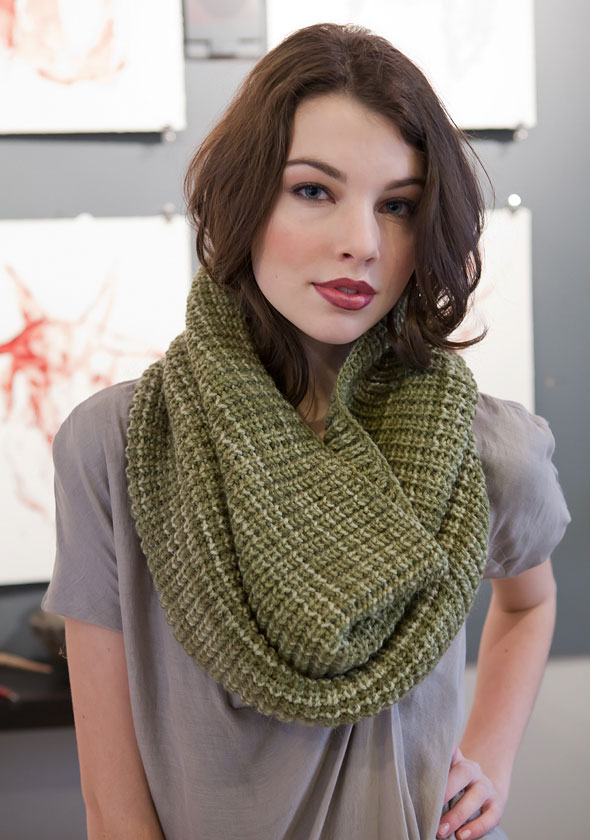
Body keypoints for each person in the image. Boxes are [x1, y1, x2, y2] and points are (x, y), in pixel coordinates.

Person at [42, 23, 570, 840]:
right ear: (245, 196)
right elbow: (114, 810)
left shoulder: (485, 448)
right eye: (314, 190)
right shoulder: (114, 445)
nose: (362, 243)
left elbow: (529, 605)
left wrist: (490, 762)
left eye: (398, 205)